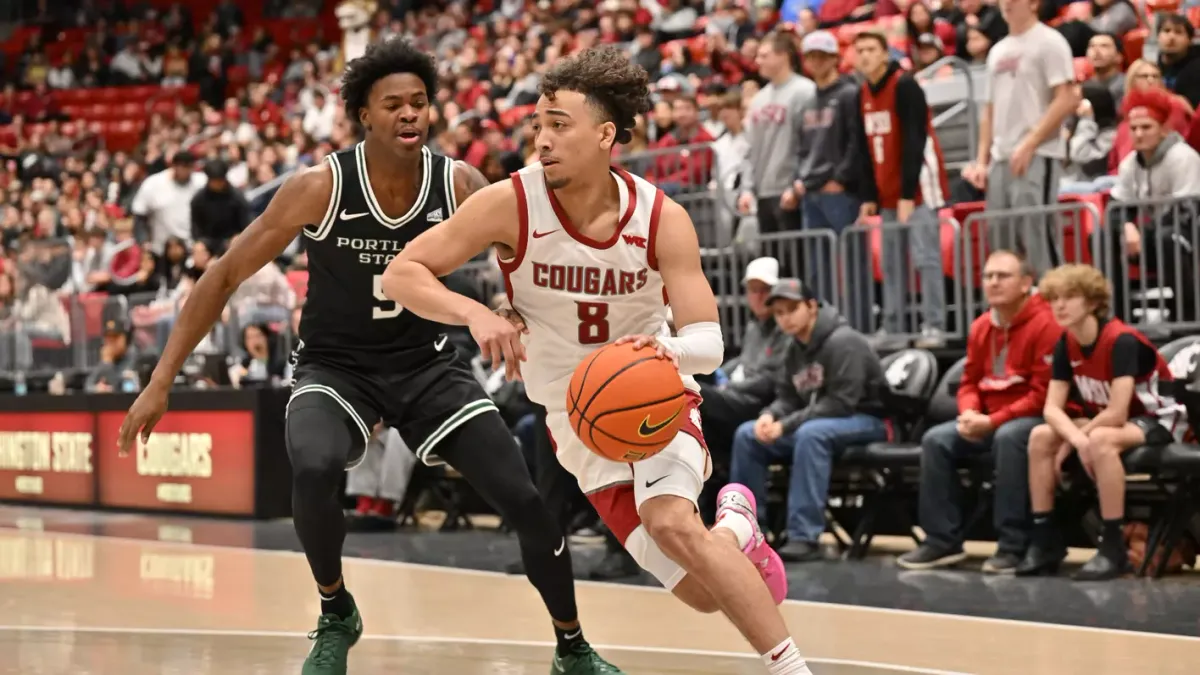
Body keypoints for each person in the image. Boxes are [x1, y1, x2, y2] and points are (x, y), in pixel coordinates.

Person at [117, 40, 622, 675]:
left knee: (521, 496)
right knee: (314, 464)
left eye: (420, 102)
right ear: (363, 114)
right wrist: (160, 382)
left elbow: (522, 262)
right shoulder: (317, 187)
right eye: (393, 104)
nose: (410, 113)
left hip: (426, 362)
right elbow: (220, 277)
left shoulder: (460, 183)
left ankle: (572, 646)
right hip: (336, 366)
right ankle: (335, 610)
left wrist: (517, 309)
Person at [382, 46, 814, 675]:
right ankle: (735, 530)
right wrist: (475, 314)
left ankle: (792, 668)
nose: (543, 138)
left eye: (560, 123)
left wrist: (659, 349)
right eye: (538, 124)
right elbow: (403, 273)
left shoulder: (662, 217)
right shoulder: (510, 203)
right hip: (575, 421)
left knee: (670, 523)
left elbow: (710, 344)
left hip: (654, 398)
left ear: (605, 133)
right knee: (698, 591)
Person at [897, 250, 1060, 573]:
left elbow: (1043, 394)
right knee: (936, 440)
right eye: (988, 276)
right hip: (987, 419)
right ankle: (942, 540)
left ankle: (1013, 543)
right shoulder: (981, 326)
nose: (993, 282)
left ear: (1027, 283)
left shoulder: (1046, 325)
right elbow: (969, 381)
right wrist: (969, 413)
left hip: (1033, 418)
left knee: (1009, 438)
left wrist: (993, 420)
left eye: (1003, 276)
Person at [1020, 264, 1186, 581]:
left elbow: (1118, 411)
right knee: (1041, 437)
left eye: (1070, 297)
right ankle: (1044, 539)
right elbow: (1051, 410)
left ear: (1094, 302)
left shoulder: (1121, 340)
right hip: (1106, 421)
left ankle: (1113, 548)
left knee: (1101, 440)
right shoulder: (1065, 344)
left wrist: (1078, 440)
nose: (1059, 305)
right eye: (1054, 298)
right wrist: (1075, 440)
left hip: (1160, 419)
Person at [729, 278, 888, 563]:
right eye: (778, 313)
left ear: (812, 306)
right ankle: (748, 530)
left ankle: (804, 536)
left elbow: (840, 403)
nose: (785, 318)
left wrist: (786, 425)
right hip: (820, 422)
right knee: (747, 434)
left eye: (791, 309)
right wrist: (769, 415)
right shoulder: (793, 348)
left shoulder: (844, 340)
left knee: (811, 434)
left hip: (867, 420)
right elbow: (787, 397)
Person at [853, 30, 949, 349]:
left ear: (885, 54)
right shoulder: (862, 93)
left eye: (871, 49)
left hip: (918, 187)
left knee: (926, 258)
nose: (864, 55)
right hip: (887, 191)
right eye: (859, 49)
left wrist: (908, 193)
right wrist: (869, 196)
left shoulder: (906, 85)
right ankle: (893, 327)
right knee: (892, 262)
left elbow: (914, 140)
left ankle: (934, 325)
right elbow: (863, 150)